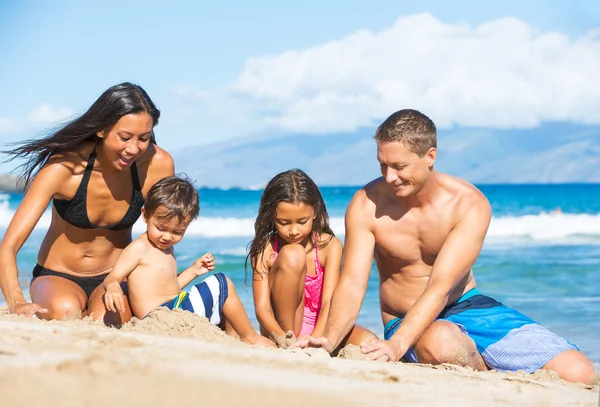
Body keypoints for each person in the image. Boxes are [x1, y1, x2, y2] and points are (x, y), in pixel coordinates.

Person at [296, 109, 595, 385]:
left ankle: (485, 360)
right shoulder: (366, 204)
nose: (389, 177)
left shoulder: (469, 204)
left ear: (430, 156)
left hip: (470, 308)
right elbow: (352, 284)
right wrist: (331, 339)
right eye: (383, 165)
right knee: (440, 341)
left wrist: (397, 347)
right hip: (407, 320)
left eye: (399, 166)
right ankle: (486, 375)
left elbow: (440, 287)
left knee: (580, 373)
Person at [0, 82, 174, 325]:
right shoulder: (63, 168)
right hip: (57, 275)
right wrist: (16, 301)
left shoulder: (157, 165)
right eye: (124, 137)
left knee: (112, 319)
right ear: (101, 129)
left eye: (143, 138)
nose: (133, 148)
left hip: (115, 277)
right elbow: (8, 246)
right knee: (65, 311)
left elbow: (164, 237)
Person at [103, 175, 275, 348]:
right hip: (160, 315)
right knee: (222, 283)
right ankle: (250, 337)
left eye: (177, 232)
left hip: (173, 309)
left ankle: (233, 338)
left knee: (222, 301)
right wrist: (113, 287)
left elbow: (171, 288)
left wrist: (193, 270)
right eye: (161, 228)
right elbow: (112, 277)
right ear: (145, 215)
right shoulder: (139, 248)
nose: (167, 236)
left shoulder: (166, 248)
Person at [246, 169, 377, 349]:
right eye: (284, 223)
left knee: (371, 342)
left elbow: (328, 302)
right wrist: (282, 337)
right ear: (271, 217)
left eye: (302, 221)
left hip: (320, 329)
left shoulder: (330, 246)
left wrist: (315, 339)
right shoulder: (265, 249)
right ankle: (290, 345)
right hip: (281, 332)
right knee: (293, 253)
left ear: (314, 212)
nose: (293, 231)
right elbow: (262, 309)